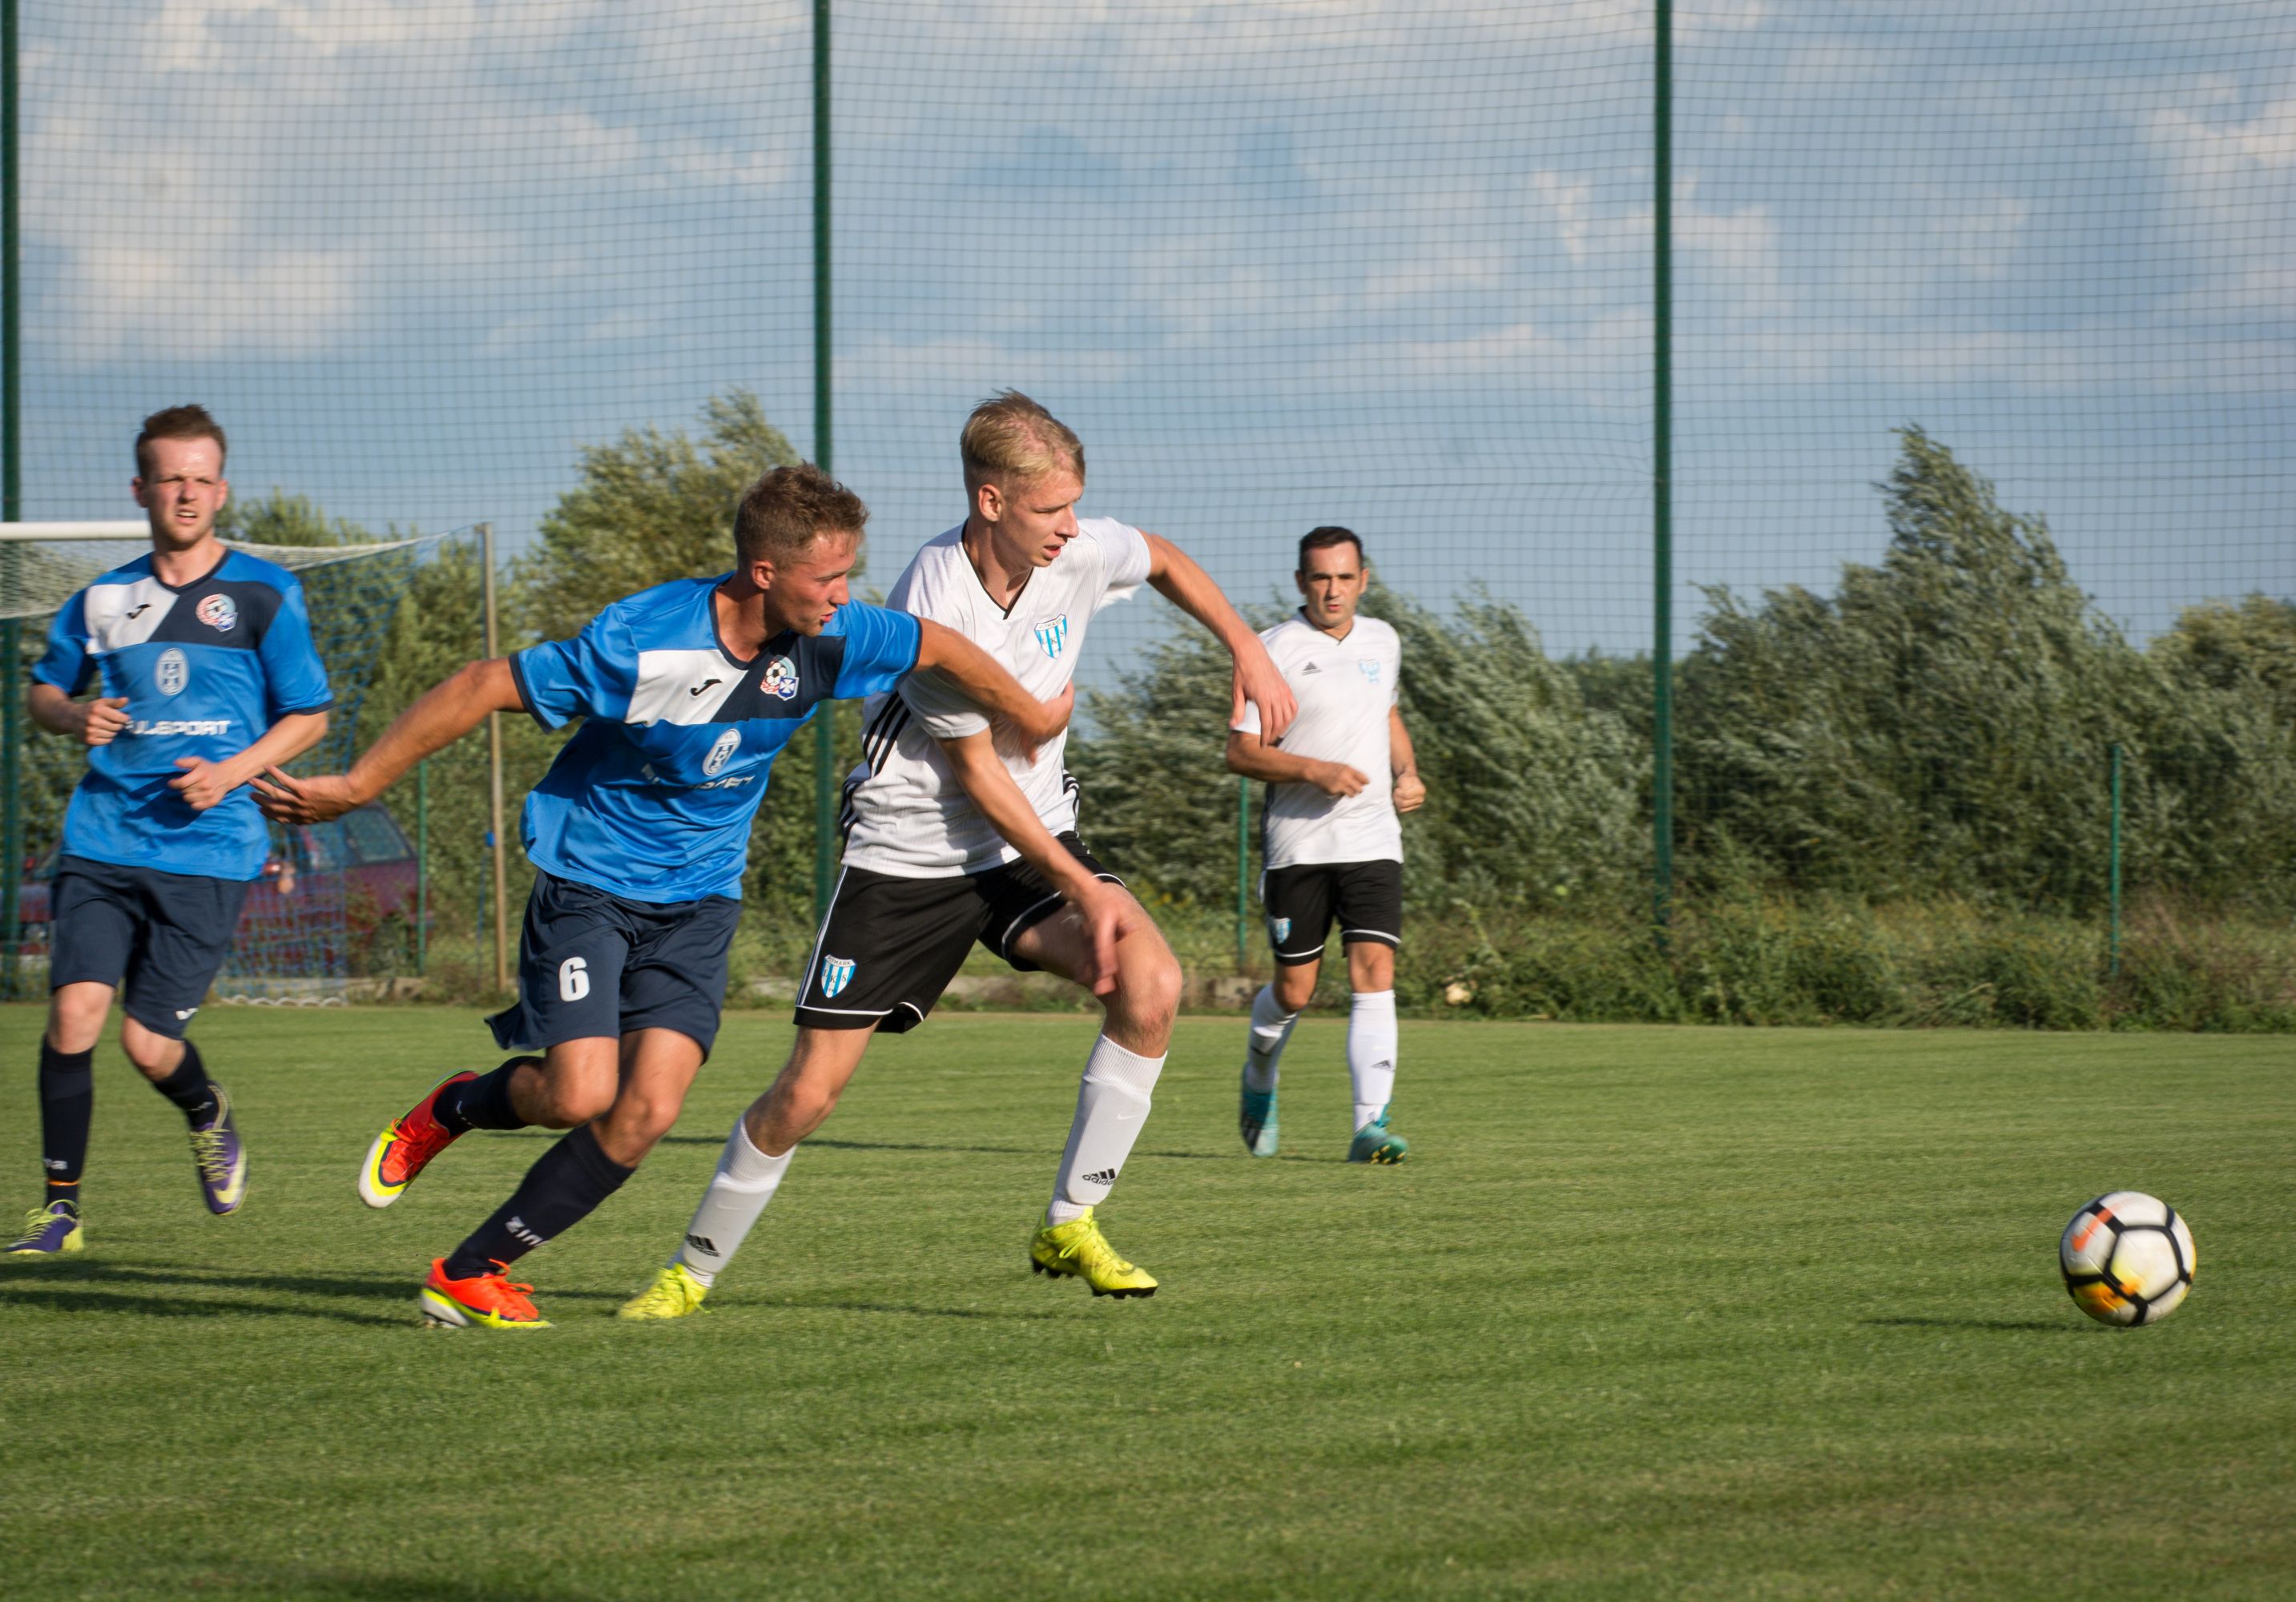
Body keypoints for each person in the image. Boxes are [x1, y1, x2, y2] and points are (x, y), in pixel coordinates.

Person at [253, 464, 1068, 1329]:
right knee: (575, 1094)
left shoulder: (833, 636)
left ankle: (469, 1270)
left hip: (701, 901)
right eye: (826, 577)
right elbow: (483, 683)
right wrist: (357, 782)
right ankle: (453, 1106)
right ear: (764, 572)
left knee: (647, 1111)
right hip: (591, 885)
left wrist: (1030, 711)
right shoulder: (644, 642)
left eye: (846, 574)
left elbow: (933, 643)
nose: (842, 595)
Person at [617, 391, 1297, 1318]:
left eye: (1072, 505)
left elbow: (1163, 557)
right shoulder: (931, 596)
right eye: (1048, 510)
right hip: (909, 855)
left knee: (1152, 983)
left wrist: (1245, 650)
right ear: (989, 502)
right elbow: (979, 773)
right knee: (810, 1091)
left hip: (1028, 840)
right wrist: (1080, 884)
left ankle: (1071, 1218)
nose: (1070, 528)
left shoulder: (1075, 548)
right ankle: (689, 1269)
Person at [6, 405, 334, 1257]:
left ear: (220, 489)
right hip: (104, 836)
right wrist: (72, 711)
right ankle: (59, 1211)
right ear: (140, 488)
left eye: (200, 478)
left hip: (211, 847)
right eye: (169, 476)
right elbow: (41, 692)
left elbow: (311, 715)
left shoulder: (266, 592)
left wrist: (230, 772)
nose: (185, 492)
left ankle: (204, 1108)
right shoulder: (103, 597)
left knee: (149, 1044)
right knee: (73, 1015)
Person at [1227, 526, 1425, 1163]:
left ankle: (1372, 1125)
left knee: (1374, 973)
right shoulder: (1268, 650)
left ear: (1364, 579)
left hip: (1373, 839)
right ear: (1300, 582)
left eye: (1345, 577)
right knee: (1296, 992)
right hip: (1299, 847)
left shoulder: (1383, 640)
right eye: (1320, 578)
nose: (1333, 590)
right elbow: (1241, 752)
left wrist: (1408, 772)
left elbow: (1385, 712)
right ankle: (1259, 1079)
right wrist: (1315, 770)